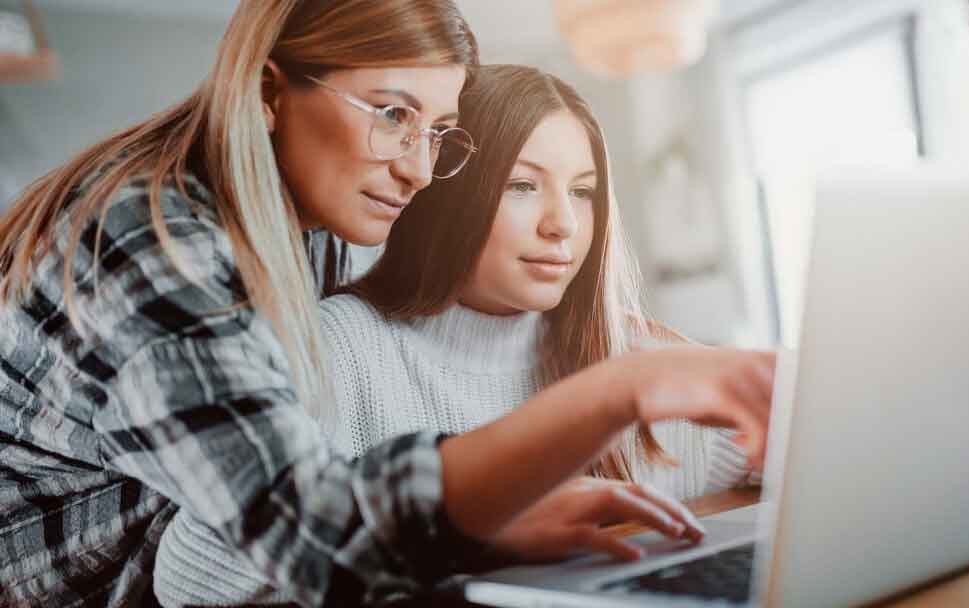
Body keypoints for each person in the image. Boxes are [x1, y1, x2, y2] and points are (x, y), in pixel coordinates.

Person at [0, 2, 774, 607]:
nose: (417, 169)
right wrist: (611, 393)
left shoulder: (313, 219)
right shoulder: (155, 249)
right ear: (272, 92)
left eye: (438, 130)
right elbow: (302, 530)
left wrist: (650, 355)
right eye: (392, 114)